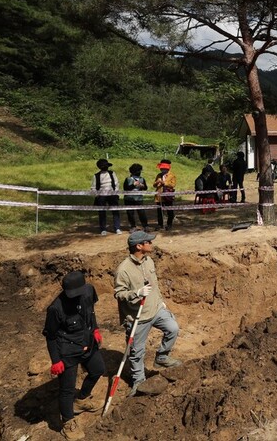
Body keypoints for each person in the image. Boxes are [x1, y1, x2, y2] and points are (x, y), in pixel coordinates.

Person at [113, 230, 181, 397]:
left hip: (156, 309)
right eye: (148, 242)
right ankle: (139, 380)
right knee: (137, 351)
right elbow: (119, 293)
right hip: (138, 317)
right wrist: (136, 293)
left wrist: (160, 300)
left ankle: (162, 357)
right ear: (139, 246)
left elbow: (155, 284)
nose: (151, 244)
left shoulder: (148, 261)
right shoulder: (123, 270)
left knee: (173, 328)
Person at [42, 270, 105, 440]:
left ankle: (82, 399)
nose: (74, 297)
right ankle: (68, 421)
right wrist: (56, 360)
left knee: (98, 370)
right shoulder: (56, 308)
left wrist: (96, 329)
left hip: (88, 343)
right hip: (67, 351)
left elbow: (91, 313)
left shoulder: (89, 291)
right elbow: (51, 336)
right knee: (67, 389)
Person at [92, 159, 122, 235]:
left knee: (115, 211)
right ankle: (103, 229)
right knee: (102, 212)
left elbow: (116, 183)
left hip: (112, 195)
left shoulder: (112, 173)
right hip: (101, 196)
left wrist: (116, 193)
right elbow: (93, 187)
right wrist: (97, 195)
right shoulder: (96, 176)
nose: (105, 167)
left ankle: (117, 228)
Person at [123, 163, 150, 230]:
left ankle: (145, 226)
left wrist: (142, 186)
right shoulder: (128, 179)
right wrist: (133, 185)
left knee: (141, 213)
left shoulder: (142, 179)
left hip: (139, 198)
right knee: (130, 213)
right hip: (129, 199)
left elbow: (145, 188)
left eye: (140, 170)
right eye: (138, 171)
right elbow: (125, 189)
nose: (139, 172)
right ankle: (133, 226)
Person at [153, 159, 177, 230]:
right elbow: (154, 185)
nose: (162, 170)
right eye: (161, 169)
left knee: (170, 211)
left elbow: (173, 184)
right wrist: (157, 182)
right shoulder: (159, 175)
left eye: (163, 169)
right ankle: (160, 225)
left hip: (168, 196)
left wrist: (164, 183)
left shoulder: (172, 175)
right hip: (159, 196)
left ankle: (169, 224)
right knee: (159, 212)